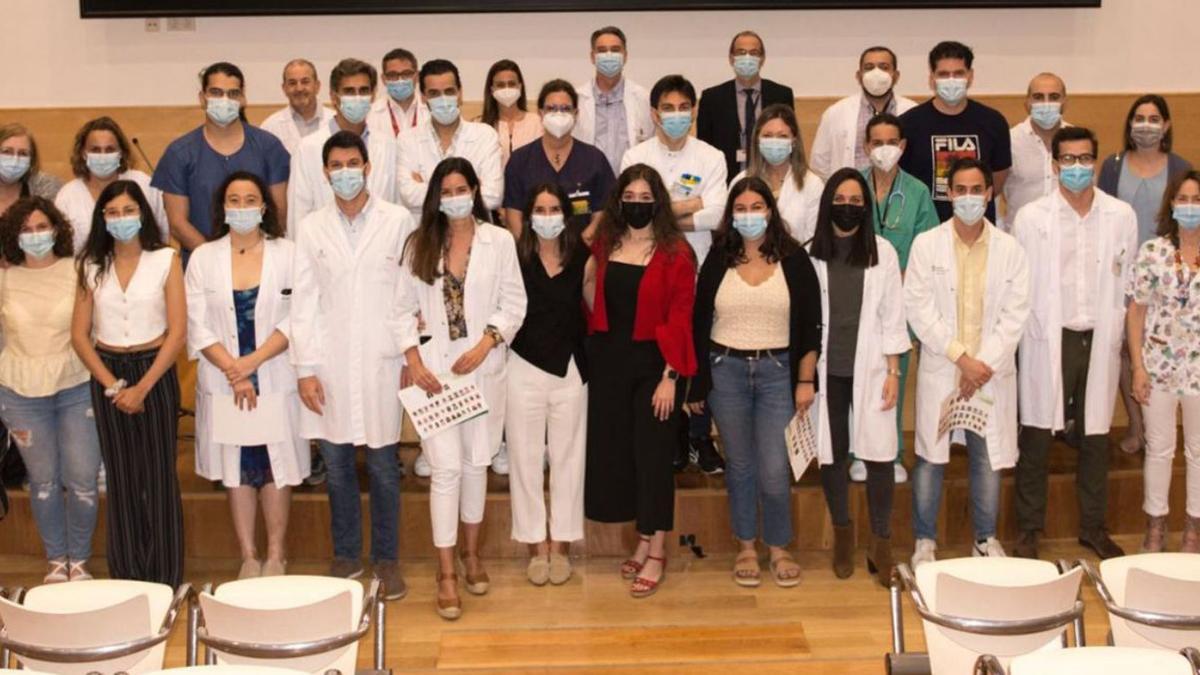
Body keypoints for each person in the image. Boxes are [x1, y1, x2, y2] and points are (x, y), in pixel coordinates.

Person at [394, 157, 526, 618]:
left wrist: (488, 341)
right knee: (445, 468)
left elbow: (514, 302)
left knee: (476, 464)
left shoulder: (500, 241)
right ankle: (445, 570)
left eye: (461, 189)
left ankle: (472, 555)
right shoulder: (419, 244)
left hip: (483, 370)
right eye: (445, 191)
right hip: (435, 377)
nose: (455, 198)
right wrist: (413, 360)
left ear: (475, 189)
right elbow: (400, 309)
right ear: (436, 197)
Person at [290, 131, 413, 598]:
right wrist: (304, 367)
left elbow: (407, 294)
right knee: (338, 465)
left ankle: (387, 559)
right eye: (336, 164)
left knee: (384, 466)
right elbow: (303, 301)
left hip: (382, 361)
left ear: (367, 166)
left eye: (353, 162)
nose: (345, 171)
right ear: (325, 172)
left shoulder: (397, 220)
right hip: (328, 364)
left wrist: (409, 352)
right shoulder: (311, 227)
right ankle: (345, 555)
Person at [688, 176, 820, 589]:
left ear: (770, 211)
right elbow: (698, 322)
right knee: (741, 465)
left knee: (774, 466)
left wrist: (805, 379)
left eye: (756, 208)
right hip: (725, 370)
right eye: (741, 209)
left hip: (778, 374)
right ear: (731, 215)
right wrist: (697, 384)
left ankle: (779, 546)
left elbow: (811, 325)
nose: (749, 216)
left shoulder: (795, 258)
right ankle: (746, 545)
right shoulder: (717, 257)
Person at [1012, 127, 1137, 561]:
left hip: (1099, 335)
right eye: (1069, 159)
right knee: (1037, 434)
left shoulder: (1120, 215)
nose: (1077, 167)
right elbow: (1020, 284)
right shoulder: (1031, 217)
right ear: (1054, 164)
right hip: (1049, 335)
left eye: (1086, 159)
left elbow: (1127, 279)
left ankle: (1093, 527)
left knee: (1097, 434)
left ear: (1096, 162)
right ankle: (1028, 531)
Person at [903, 158, 1030, 567]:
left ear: (989, 194)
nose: (970, 197)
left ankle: (985, 538)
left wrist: (982, 365)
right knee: (930, 456)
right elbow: (919, 308)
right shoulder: (927, 244)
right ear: (949, 193)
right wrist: (961, 358)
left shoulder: (1010, 249)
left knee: (986, 455)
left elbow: (1016, 313)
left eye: (978, 189)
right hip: (946, 367)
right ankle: (925, 540)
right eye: (962, 189)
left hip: (989, 373)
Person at [185, 171, 309, 579]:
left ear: (264, 206)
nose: (242, 208)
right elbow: (197, 324)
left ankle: (276, 553)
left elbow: (300, 316)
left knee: (277, 467)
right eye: (233, 200)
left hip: (274, 373)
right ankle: (249, 555)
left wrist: (252, 362)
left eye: (250, 199)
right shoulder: (204, 257)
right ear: (222, 207)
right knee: (237, 469)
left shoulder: (289, 254)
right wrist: (233, 370)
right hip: (225, 380)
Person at [584, 164, 697, 598]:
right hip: (610, 364)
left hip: (656, 367)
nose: (636, 204)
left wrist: (671, 377)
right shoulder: (605, 244)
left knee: (653, 458)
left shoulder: (675, 252)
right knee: (625, 457)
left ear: (658, 202)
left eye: (645, 198)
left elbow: (681, 317)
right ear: (618, 201)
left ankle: (658, 549)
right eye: (628, 197)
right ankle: (644, 537)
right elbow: (592, 296)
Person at [70, 180, 186, 586]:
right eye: (113, 212)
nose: (122, 219)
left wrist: (143, 387)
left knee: (158, 477)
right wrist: (115, 387)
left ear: (143, 214)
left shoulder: (166, 259)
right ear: (103, 218)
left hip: (155, 373)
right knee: (121, 477)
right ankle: (128, 574)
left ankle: (164, 576)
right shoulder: (90, 265)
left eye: (129, 210)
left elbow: (177, 332)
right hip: (109, 376)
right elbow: (80, 335)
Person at [805, 169, 909, 584]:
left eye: (856, 201)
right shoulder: (809, 253)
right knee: (833, 453)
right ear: (828, 201)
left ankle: (881, 543)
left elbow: (893, 316)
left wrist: (894, 371)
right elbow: (805, 320)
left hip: (873, 369)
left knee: (880, 454)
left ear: (866, 208)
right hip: (828, 372)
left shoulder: (882, 252)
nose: (847, 207)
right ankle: (844, 535)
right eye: (840, 200)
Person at [621, 74, 727, 474]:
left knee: (697, 350)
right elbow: (631, 210)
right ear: (654, 113)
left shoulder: (711, 156)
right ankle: (673, 431)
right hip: (646, 269)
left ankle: (700, 434)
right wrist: (690, 204)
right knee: (657, 350)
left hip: (697, 267)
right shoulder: (635, 157)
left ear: (695, 111)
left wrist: (660, 211)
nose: (677, 115)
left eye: (685, 108)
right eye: (668, 108)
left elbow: (716, 214)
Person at [0, 198, 100, 583]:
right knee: (42, 480)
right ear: (13, 235)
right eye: (26, 229)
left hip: (75, 387)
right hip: (20, 393)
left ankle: (80, 561)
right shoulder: (6, 276)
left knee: (81, 479)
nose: (36, 235)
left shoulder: (79, 270)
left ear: (57, 230)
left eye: (42, 227)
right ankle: (56, 560)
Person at [1099, 94, 1193, 455]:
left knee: (1159, 349)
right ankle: (1137, 427)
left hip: (1168, 277)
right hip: (1122, 274)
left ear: (1167, 125)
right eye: (1139, 117)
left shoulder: (1180, 166)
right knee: (1126, 350)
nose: (1146, 125)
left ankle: (1159, 430)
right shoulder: (1113, 164)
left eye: (1155, 119)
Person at [506, 183, 589, 587]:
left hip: (571, 370)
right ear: (528, 215)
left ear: (567, 215)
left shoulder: (584, 258)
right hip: (522, 367)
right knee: (523, 460)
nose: (547, 216)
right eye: (539, 209)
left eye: (555, 208)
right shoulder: (514, 258)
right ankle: (535, 547)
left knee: (568, 460)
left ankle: (561, 547)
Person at [851, 113, 940, 484]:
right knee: (858, 376)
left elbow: (928, 248)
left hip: (901, 299)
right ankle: (857, 453)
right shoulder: (853, 187)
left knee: (894, 376)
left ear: (902, 147)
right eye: (876, 142)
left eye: (892, 142)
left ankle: (891, 456)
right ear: (866, 147)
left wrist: (894, 282)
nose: (884, 149)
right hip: (857, 296)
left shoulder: (917, 192)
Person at [1127, 170, 1200, 553]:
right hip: (1157, 368)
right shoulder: (1152, 252)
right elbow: (1136, 313)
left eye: (1197, 200)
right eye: (1183, 200)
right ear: (1171, 204)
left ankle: (1193, 531)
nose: (1190, 207)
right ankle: (1155, 527)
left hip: (1199, 373)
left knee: (1199, 452)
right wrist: (1138, 366)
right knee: (1158, 449)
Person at [153, 62, 290, 256]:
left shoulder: (268, 147)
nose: (224, 100)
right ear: (202, 98)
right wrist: (213, 260)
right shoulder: (180, 153)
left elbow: (278, 215)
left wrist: (252, 259)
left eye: (233, 94)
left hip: (261, 262)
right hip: (201, 265)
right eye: (216, 92)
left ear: (243, 99)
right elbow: (177, 224)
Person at [898, 41, 1012, 224]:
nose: (951, 80)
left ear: (970, 76)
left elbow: (997, 181)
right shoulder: (908, 124)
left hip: (978, 226)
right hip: (926, 228)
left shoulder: (993, 122)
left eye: (958, 73)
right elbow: (904, 181)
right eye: (943, 74)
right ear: (932, 78)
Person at [288, 58, 400, 235]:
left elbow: (395, 207)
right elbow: (298, 216)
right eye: (349, 91)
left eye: (363, 91)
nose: (357, 97)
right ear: (334, 97)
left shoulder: (388, 146)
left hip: (379, 250)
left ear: (373, 95)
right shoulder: (307, 148)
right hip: (324, 251)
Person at [502, 79, 615, 238]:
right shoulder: (520, 161)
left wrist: (581, 251)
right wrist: (531, 255)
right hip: (531, 255)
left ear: (576, 114)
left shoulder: (595, 159)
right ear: (540, 113)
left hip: (583, 255)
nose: (559, 114)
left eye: (566, 109)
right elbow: (513, 216)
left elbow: (602, 213)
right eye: (551, 109)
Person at [397, 59, 503, 220]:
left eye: (449, 91)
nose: (443, 99)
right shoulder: (407, 139)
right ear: (423, 97)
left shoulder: (485, 135)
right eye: (434, 94)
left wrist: (427, 188)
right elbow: (408, 196)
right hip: (428, 235)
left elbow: (493, 196)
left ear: (460, 93)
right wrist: (467, 190)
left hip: (476, 234)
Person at [695, 30, 795, 182]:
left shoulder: (781, 95)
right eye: (741, 52)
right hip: (725, 180)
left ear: (762, 59)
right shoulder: (712, 98)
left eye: (754, 53)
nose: (747, 58)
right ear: (731, 58)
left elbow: (790, 141)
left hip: (771, 178)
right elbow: (704, 149)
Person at [55, 116, 168, 249]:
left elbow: (162, 232)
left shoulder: (143, 184)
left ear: (121, 153)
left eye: (109, 150)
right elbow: (63, 248)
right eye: (95, 150)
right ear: (83, 154)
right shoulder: (67, 196)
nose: (103, 156)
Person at [810, 46, 917, 180]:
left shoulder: (913, 112)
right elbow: (819, 163)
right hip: (852, 195)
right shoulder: (835, 113)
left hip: (901, 194)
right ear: (859, 76)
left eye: (884, 67)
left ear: (896, 76)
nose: (876, 73)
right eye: (869, 67)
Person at [730, 104, 823, 243]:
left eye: (782, 136)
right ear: (757, 140)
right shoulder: (741, 180)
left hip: (797, 261)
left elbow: (813, 239)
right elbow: (731, 232)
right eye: (767, 135)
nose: (774, 142)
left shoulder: (812, 184)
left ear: (794, 141)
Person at [574, 26, 655, 176]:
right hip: (588, 184)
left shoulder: (645, 99)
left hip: (632, 185)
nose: (609, 55)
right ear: (592, 57)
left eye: (615, 49)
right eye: (602, 50)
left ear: (625, 56)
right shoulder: (576, 99)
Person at [1002, 73, 1070, 231]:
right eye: (1038, 97)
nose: (1046, 104)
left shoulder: (1077, 142)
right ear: (1027, 103)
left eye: (1054, 97)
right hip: (1021, 235)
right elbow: (996, 193)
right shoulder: (1009, 141)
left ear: (1064, 102)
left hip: (1066, 234)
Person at [260, 58, 336, 156]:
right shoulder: (270, 127)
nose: (299, 88)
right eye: (292, 83)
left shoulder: (336, 121)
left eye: (305, 82)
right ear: (284, 88)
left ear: (317, 86)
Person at [478, 59, 542, 167]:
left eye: (511, 84)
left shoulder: (538, 123)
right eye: (500, 85)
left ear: (520, 87)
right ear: (492, 89)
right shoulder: (480, 126)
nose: (506, 89)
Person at [366, 48, 430, 141]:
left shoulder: (430, 111)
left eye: (406, 74)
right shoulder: (370, 114)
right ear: (383, 79)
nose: (400, 80)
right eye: (392, 75)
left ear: (417, 76)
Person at [0, 124, 63, 216]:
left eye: (23, 153)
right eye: (7, 152)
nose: (15, 160)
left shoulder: (46, 189)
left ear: (32, 160)